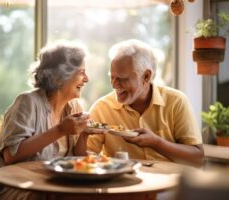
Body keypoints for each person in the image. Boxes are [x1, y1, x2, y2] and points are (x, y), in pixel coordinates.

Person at [0, 40, 91, 200]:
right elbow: (10, 156)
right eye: (81, 73)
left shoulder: (73, 107)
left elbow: (77, 158)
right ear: (59, 77)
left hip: (45, 185)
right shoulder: (27, 102)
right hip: (3, 187)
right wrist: (60, 130)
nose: (87, 79)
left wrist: (85, 134)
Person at [87, 39, 204, 167]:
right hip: (124, 184)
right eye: (112, 77)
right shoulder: (102, 108)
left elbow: (197, 159)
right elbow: (87, 156)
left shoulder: (176, 101)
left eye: (122, 79)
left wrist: (156, 143)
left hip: (171, 184)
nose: (114, 84)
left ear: (146, 76)